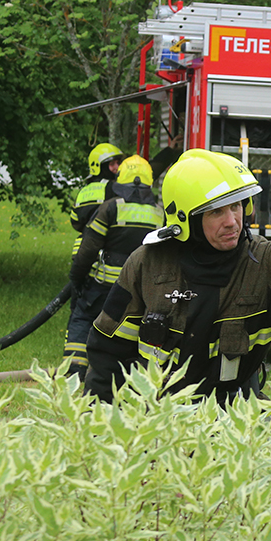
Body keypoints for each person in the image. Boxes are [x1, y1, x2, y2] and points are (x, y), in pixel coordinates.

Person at [83, 149, 271, 405]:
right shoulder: (147, 264)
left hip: (232, 421)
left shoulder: (263, 262)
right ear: (187, 218)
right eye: (216, 211)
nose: (233, 221)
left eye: (236, 206)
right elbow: (107, 352)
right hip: (159, 420)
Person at [64, 156, 166, 377]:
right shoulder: (160, 214)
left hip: (102, 286)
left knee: (82, 318)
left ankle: (75, 371)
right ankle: (124, 372)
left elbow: (88, 248)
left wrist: (77, 278)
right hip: (139, 292)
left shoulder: (110, 208)